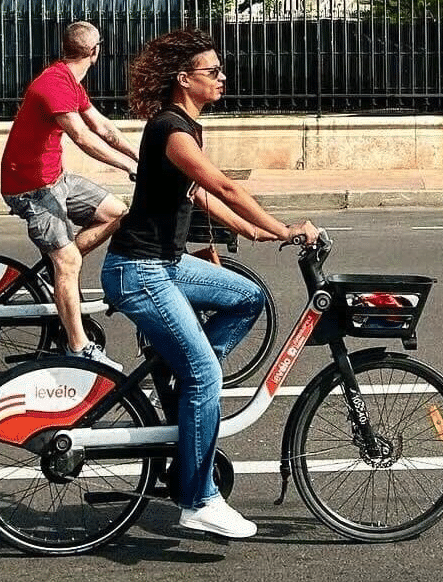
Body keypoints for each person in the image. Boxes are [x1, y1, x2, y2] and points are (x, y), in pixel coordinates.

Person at [101, 28, 318, 539]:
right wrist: (284, 226)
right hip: (140, 270)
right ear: (184, 79)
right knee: (204, 376)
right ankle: (199, 499)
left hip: (166, 264)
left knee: (247, 296)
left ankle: (189, 375)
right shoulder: (173, 130)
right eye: (213, 71)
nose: (223, 77)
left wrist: (255, 231)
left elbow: (200, 196)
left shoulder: (185, 128)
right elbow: (222, 184)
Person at [0, 21, 138, 370]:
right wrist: (126, 166)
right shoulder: (53, 85)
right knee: (70, 263)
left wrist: (140, 157)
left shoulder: (69, 81)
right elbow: (83, 137)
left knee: (116, 212)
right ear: (95, 51)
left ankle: (55, 268)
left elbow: (102, 126)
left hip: (56, 178)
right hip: (30, 187)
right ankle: (79, 348)